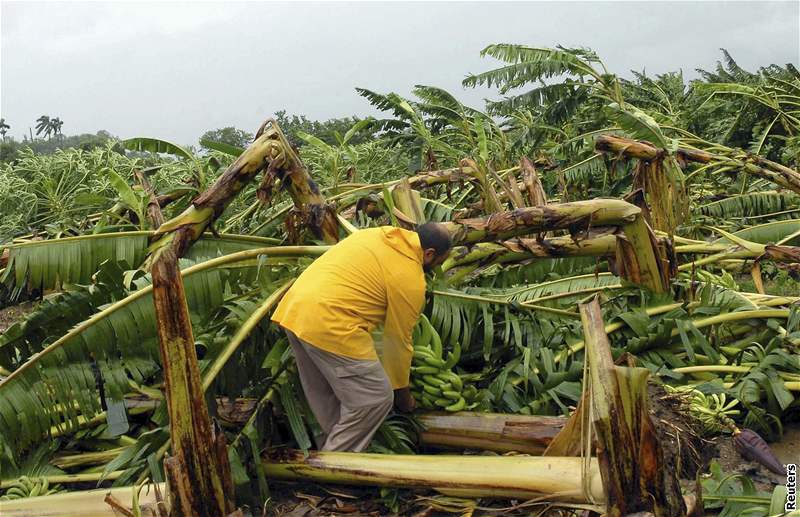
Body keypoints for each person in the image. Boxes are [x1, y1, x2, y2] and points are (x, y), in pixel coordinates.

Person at [271, 223, 453, 452]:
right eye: (439, 262)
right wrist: (403, 398)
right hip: (332, 323)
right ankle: (335, 466)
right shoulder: (410, 277)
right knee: (375, 397)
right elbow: (397, 342)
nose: (437, 268)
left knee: (325, 393)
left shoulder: (377, 234)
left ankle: (324, 451)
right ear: (429, 254)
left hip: (296, 310)